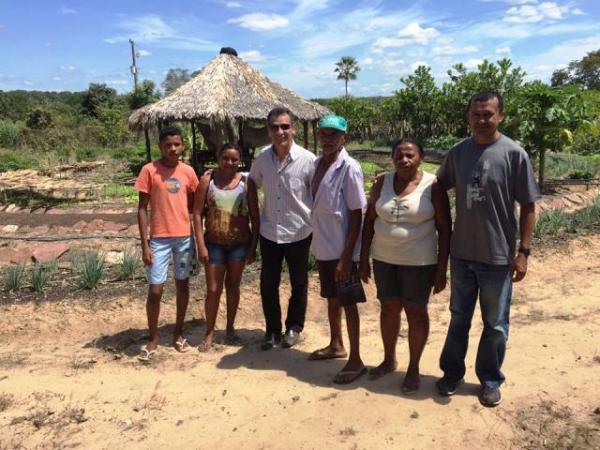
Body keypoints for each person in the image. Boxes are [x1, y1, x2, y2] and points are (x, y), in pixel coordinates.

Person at [436, 92, 540, 407]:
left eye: (488, 114)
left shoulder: (513, 154)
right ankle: (452, 373)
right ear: (469, 117)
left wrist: (523, 251)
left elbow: (529, 205)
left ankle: (490, 379)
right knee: (458, 318)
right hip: (463, 255)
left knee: (495, 324)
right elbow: (439, 187)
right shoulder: (458, 153)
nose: (482, 120)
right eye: (476, 114)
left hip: (498, 257)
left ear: (500, 116)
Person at [359, 138, 451, 394]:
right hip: (384, 259)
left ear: (420, 157)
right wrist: (364, 257)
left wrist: (442, 268)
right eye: (399, 155)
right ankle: (389, 360)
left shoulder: (432, 185)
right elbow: (370, 220)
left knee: (416, 311)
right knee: (388, 308)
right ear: (392, 157)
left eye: (410, 155)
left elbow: (444, 229)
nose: (404, 159)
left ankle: (413, 368)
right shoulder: (381, 182)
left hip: (419, 262)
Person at [249, 106, 316, 350]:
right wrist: (255, 217)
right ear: (268, 131)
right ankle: (272, 330)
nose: (281, 131)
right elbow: (251, 183)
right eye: (275, 127)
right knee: (268, 283)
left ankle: (294, 327)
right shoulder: (262, 159)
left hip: (299, 231)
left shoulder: (308, 160)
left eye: (285, 126)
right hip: (270, 232)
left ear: (293, 128)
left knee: (299, 283)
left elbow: (316, 194)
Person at [308, 114, 368, 384]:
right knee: (332, 299)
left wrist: (347, 257)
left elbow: (357, 214)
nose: (328, 139)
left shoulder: (349, 167)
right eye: (324, 134)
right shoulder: (317, 163)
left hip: (343, 249)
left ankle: (355, 360)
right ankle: (336, 344)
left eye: (334, 134)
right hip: (324, 245)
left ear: (344, 137)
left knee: (348, 303)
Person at [135, 126, 200, 361]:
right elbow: (142, 209)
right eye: (167, 145)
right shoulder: (149, 171)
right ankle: (152, 338)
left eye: (177, 144)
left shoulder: (188, 172)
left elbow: (194, 207)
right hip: (159, 240)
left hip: (183, 238)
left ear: (183, 146)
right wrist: (145, 245)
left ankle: (178, 333)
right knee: (155, 290)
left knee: (182, 286)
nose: (172, 149)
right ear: (160, 146)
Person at [193, 143, 259, 351]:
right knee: (213, 289)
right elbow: (196, 215)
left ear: (240, 161)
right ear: (218, 157)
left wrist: (253, 246)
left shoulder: (246, 183)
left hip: (240, 244)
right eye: (225, 158)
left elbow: (255, 218)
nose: (229, 163)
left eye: (234, 159)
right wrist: (200, 245)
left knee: (233, 286)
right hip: (214, 244)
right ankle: (209, 332)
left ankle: (230, 329)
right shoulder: (208, 181)